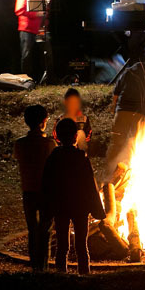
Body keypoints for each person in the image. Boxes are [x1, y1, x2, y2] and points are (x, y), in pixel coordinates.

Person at [42, 119, 106, 274]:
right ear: (75, 136)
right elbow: (90, 185)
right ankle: (84, 274)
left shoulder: (53, 158)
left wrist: (47, 207)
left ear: (57, 136)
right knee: (81, 245)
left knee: (62, 246)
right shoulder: (81, 158)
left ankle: (60, 274)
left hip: (61, 206)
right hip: (80, 207)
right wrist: (97, 209)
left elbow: (47, 183)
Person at [104, 49, 145, 175]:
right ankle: (136, 171)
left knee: (117, 142)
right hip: (140, 114)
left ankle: (110, 172)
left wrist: (114, 108)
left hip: (122, 111)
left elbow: (117, 90)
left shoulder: (131, 70)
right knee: (138, 142)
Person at [13, 105, 56, 271]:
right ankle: (43, 267)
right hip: (46, 192)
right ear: (44, 121)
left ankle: (34, 266)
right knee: (45, 230)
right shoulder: (49, 144)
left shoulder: (20, 144)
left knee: (32, 230)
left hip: (28, 190)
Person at [15, 0, 54, 83]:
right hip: (27, 29)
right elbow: (19, 10)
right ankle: (26, 81)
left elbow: (45, 13)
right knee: (27, 55)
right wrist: (37, 13)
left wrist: (45, 18)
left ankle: (48, 79)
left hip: (41, 29)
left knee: (47, 54)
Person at [53, 88, 92, 153]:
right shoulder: (61, 120)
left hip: (79, 152)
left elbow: (88, 135)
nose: (73, 105)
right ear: (66, 103)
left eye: (75, 102)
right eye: (70, 102)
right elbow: (56, 136)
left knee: (81, 133)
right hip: (64, 151)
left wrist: (78, 138)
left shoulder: (83, 119)